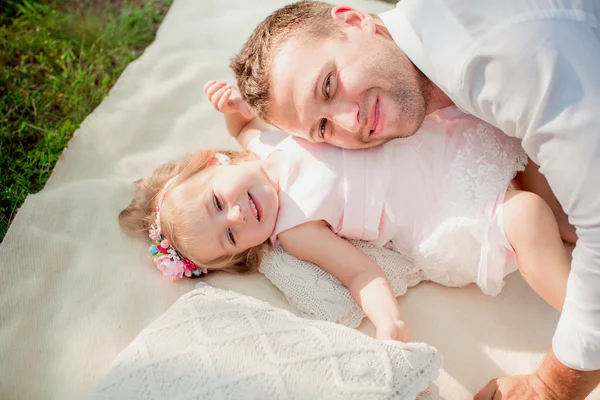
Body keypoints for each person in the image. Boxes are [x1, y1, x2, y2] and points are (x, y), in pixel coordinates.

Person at [229, 1, 600, 398]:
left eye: (329, 85)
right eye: (322, 128)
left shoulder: (504, 61)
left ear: (353, 20)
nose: (350, 122)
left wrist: (551, 387)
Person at [119, 79, 572, 349]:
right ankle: (582, 319)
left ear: (216, 163)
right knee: (530, 216)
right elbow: (360, 275)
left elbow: (243, 126)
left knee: (535, 155)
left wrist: (232, 111)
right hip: (449, 204)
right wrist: (386, 321)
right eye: (231, 237)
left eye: (217, 203)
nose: (237, 215)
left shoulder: (263, 142)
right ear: (245, 252)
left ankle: (571, 227)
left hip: (456, 143)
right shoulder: (294, 229)